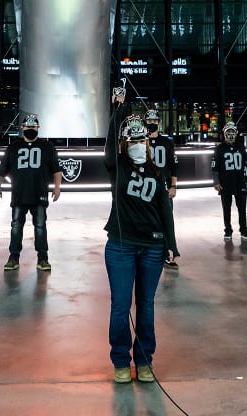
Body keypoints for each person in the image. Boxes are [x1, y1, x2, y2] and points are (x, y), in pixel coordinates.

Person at [104, 89, 176, 384]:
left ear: (148, 143)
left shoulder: (157, 172)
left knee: (146, 305)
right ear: (125, 143)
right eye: (131, 141)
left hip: (152, 247)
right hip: (120, 245)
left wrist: (171, 245)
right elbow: (109, 147)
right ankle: (121, 359)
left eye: (140, 140)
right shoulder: (117, 167)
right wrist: (117, 110)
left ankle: (145, 359)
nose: (136, 145)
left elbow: (165, 210)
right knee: (121, 306)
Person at [0, 113, 63, 271]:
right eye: (28, 126)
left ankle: (43, 258)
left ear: (38, 128)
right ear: (22, 128)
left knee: (40, 227)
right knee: (16, 227)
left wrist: (57, 187)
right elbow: (2, 170)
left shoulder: (47, 147)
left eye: (33, 126)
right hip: (19, 194)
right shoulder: (13, 147)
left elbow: (56, 170)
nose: (30, 129)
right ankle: (13, 257)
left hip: (39, 193)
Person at [145, 109, 181, 269]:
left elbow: (174, 166)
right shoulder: (141, 140)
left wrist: (174, 186)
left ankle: (167, 253)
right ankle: (147, 251)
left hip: (164, 186)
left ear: (159, 122)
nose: (152, 123)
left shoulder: (167, 142)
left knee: (166, 220)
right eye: (149, 120)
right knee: (146, 219)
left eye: (155, 121)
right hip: (146, 185)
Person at [211, 121, 247, 242]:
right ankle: (228, 231)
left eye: (233, 132)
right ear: (224, 133)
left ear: (236, 133)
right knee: (226, 209)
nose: (231, 134)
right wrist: (216, 182)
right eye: (228, 132)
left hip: (240, 182)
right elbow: (215, 167)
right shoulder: (219, 149)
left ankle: (244, 231)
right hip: (225, 183)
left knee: (242, 209)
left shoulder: (241, 147)